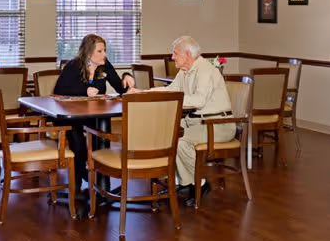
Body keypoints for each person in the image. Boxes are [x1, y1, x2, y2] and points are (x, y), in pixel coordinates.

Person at [143, 35, 234, 206]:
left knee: (181, 141)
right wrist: (144, 93)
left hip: (217, 124)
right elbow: (171, 90)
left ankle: (200, 183)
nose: (172, 57)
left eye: (175, 53)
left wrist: (173, 100)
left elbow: (199, 101)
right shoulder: (185, 71)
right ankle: (185, 183)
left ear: (187, 54)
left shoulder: (206, 70)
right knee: (165, 135)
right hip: (197, 122)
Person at [53, 34, 136, 184]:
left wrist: (127, 77)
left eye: (104, 50)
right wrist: (84, 91)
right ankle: (81, 177)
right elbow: (60, 89)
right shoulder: (74, 65)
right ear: (89, 52)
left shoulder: (104, 64)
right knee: (77, 140)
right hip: (69, 115)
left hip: (94, 114)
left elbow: (120, 88)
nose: (104, 54)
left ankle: (101, 178)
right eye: (100, 51)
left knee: (102, 133)